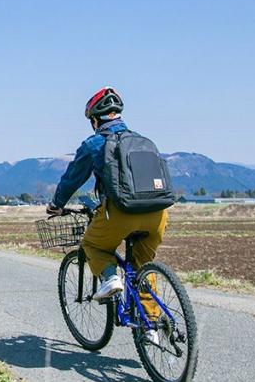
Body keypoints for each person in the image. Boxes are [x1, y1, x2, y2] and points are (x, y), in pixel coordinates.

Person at [46, 87, 170, 329]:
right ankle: (152, 325)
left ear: (95, 120)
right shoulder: (143, 141)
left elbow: (73, 178)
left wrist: (56, 205)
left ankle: (111, 278)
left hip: (121, 212)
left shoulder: (95, 143)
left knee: (93, 244)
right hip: (158, 214)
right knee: (142, 267)